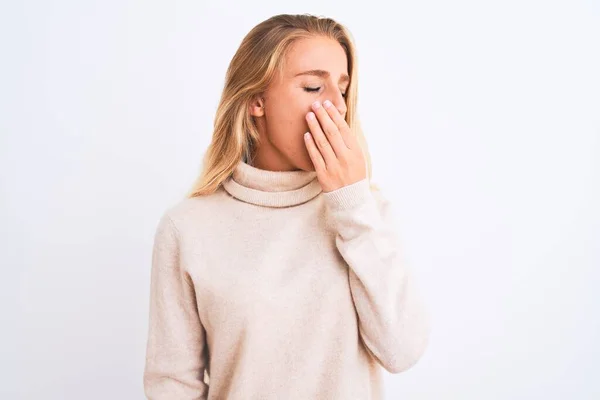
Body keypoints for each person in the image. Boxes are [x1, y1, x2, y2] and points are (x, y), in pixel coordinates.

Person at [142, 13, 431, 400]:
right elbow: (172, 386)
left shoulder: (366, 210)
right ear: (256, 101)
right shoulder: (188, 228)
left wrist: (351, 204)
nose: (336, 107)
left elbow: (402, 350)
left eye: (342, 90)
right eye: (313, 86)